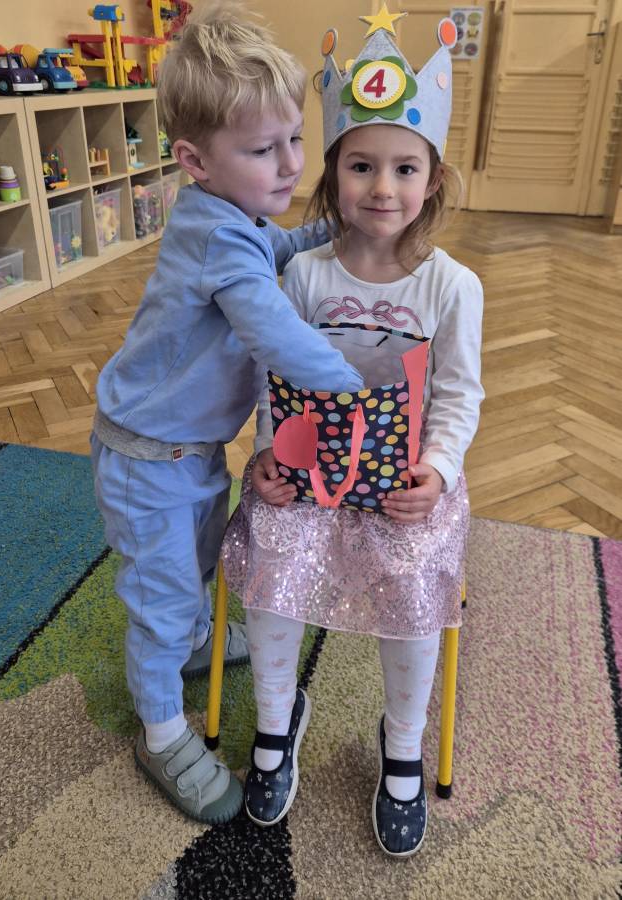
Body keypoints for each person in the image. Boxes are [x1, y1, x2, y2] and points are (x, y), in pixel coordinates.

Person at [90, 0, 364, 826]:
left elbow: (267, 245)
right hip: (148, 461)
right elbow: (272, 331)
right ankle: (161, 732)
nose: (289, 164)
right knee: (163, 599)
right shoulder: (218, 238)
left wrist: (323, 231)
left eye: (294, 139)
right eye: (261, 149)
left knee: (198, 563)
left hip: (190, 450)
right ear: (195, 160)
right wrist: (356, 387)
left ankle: (196, 642)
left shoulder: (224, 216)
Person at [222, 7, 484, 855]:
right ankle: (275, 722)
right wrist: (268, 454)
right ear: (332, 174)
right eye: (361, 165)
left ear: (432, 179)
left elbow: (458, 395)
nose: (382, 188)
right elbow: (276, 380)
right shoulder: (302, 275)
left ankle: (401, 743)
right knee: (273, 559)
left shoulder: (451, 286)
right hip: (309, 473)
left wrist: (437, 471)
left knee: (412, 582)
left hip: (404, 487)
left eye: (404, 168)